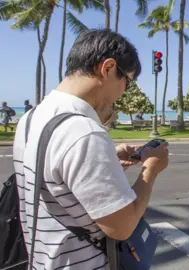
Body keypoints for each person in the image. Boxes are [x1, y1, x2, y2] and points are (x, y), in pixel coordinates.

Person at [12, 29, 169, 270]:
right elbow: (122, 226)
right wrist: (151, 168)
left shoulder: (32, 117)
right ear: (107, 68)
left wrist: (108, 161)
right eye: (126, 81)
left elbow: (53, 180)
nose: (123, 93)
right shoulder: (84, 132)